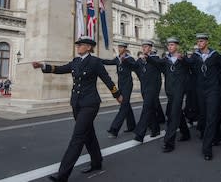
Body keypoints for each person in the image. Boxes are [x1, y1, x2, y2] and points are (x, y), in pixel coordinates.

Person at [31, 36, 123, 182]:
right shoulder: (75, 61)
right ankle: (97, 162)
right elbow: (60, 69)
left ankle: (63, 175)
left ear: (88, 47)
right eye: (78, 45)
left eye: (80, 45)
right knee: (88, 134)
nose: (78, 47)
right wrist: (43, 66)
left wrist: (117, 95)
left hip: (90, 103)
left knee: (78, 137)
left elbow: (107, 79)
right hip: (76, 103)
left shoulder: (95, 62)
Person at [146, 37, 190, 153]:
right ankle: (186, 133)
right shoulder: (166, 59)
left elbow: (191, 67)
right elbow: (156, 62)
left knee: (173, 115)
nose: (170, 47)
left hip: (179, 91)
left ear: (177, 46)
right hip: (169, 91)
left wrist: (184, 60)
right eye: (169, 45)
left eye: (172, 45)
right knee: (177, 112)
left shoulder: (182, 59)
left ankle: (169, 142)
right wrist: (147, 56)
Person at [185, 33, 221, 160]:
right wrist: (181, 58)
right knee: (206, 116)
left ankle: (207, 149)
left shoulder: (215, 55)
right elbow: (188, 64)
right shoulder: (196, 56)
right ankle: (218, 136)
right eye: (198, 41)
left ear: (207, 42)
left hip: (213, 90)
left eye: (201, 41)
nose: (199, 43)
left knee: (211, 117)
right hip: (200, 91)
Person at [101, 43, 136, 138]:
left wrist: (125, 61)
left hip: (128, 85)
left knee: (124, 106)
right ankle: (132, 126)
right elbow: (108, 62)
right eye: (119, 47)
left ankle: (114, 129)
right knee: (126, 105)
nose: (119, 49)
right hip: (121, 85)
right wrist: (96, 60)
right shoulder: (117, 59)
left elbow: (134, 66)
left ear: (125, 49)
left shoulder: (129, 58)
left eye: (121, 47)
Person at [133, 40, 162, 142]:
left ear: (150, 48)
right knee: (150, 109)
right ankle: (156, 129)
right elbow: (134, 67)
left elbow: (157, 64)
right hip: (144, 87)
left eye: (146, 47)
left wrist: (148, 58)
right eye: (143, 47)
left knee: (146, 108)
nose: (144, 48)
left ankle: (139, 134)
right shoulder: (141, 60)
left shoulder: (155, 58)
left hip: (153, 88)